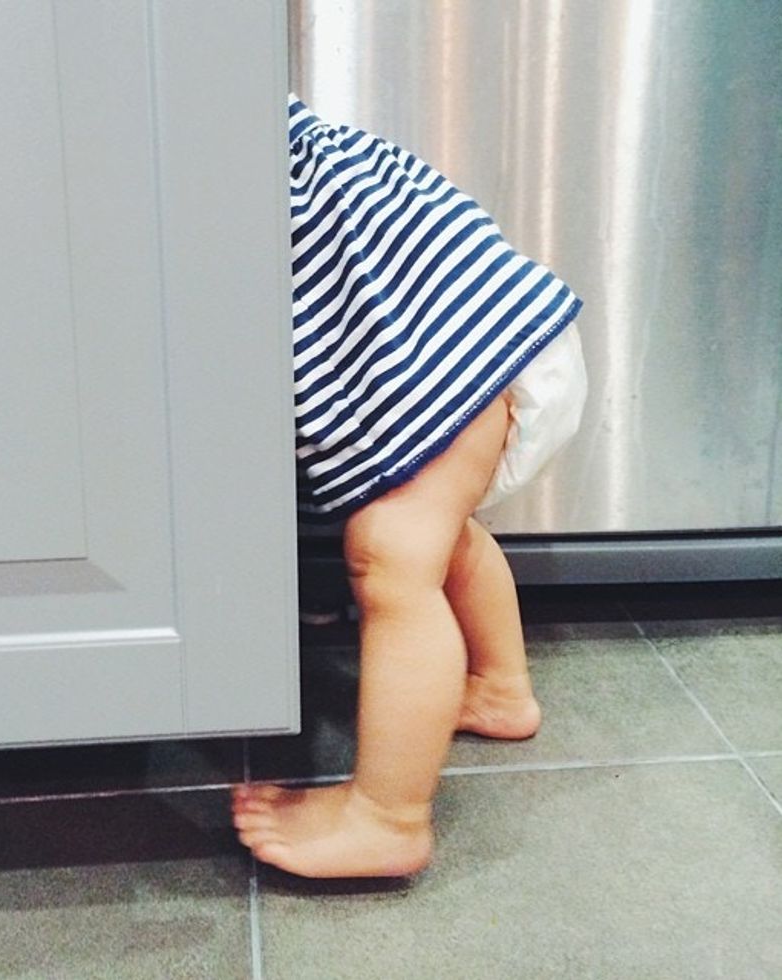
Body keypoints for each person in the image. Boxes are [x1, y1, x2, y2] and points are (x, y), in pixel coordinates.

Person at [231, 95, 586, 879]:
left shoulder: (203, 126)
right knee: (438, 533)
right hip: (489, 331)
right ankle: (499, 689)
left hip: (461, 345)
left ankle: (387, 817)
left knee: (393, 555)